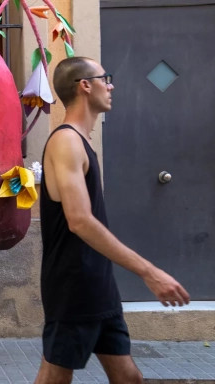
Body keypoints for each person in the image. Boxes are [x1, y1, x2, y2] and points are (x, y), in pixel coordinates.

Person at [35, 57, 191, 383]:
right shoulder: (66, 142)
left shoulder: (81, 141)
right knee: (55, 376)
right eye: (105, 78)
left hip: (99, 282)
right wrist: (149, 271)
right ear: (85, 86)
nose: (111, 85)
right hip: (74, 284)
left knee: (128, 377)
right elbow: (79, 221)